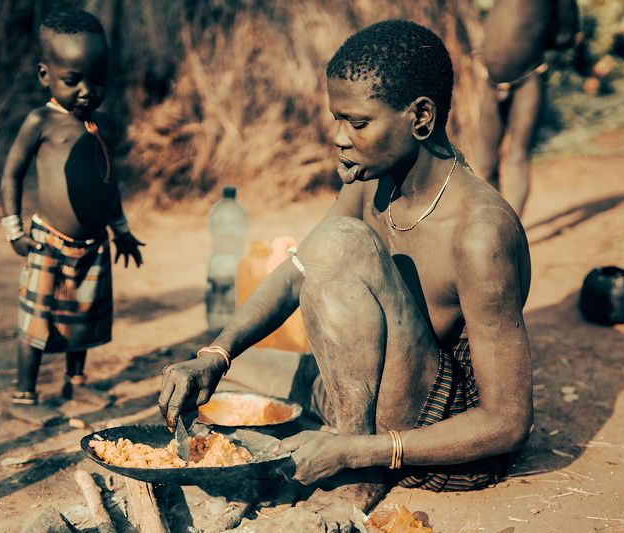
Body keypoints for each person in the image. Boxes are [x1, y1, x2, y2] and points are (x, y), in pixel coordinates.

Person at [159, 20, 532, 528]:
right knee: (232, 376)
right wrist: (214, 356)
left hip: (434, 427)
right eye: (337, 120)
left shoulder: (481, 233)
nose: (339, 138)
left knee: (341, 240)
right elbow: (299, 271)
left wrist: (358, 451)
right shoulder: (371, 182)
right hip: (368, 399)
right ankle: (341, 434)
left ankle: (357, 470)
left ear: (421, 117)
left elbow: (507, 422)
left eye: (357, 123)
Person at [0, 9, 143, 409]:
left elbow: (108, 183)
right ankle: (24, 394)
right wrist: (13, 230)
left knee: (84, 318)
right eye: (72, 80)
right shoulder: (40, 123)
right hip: (49, 243)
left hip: (93, 245)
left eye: (97, 80)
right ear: (45, 75)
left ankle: (75, 382)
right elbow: (11, 175)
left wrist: (121, 230)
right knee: (37, 321)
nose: (87, 91)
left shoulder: (103, 126)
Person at [470, 0, 579, 217]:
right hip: (491, 82)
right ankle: (497, 221)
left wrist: (533, 38)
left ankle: (514, 225)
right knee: (485, 161)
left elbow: (567, 37)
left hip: (529, 78)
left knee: (517, 156)